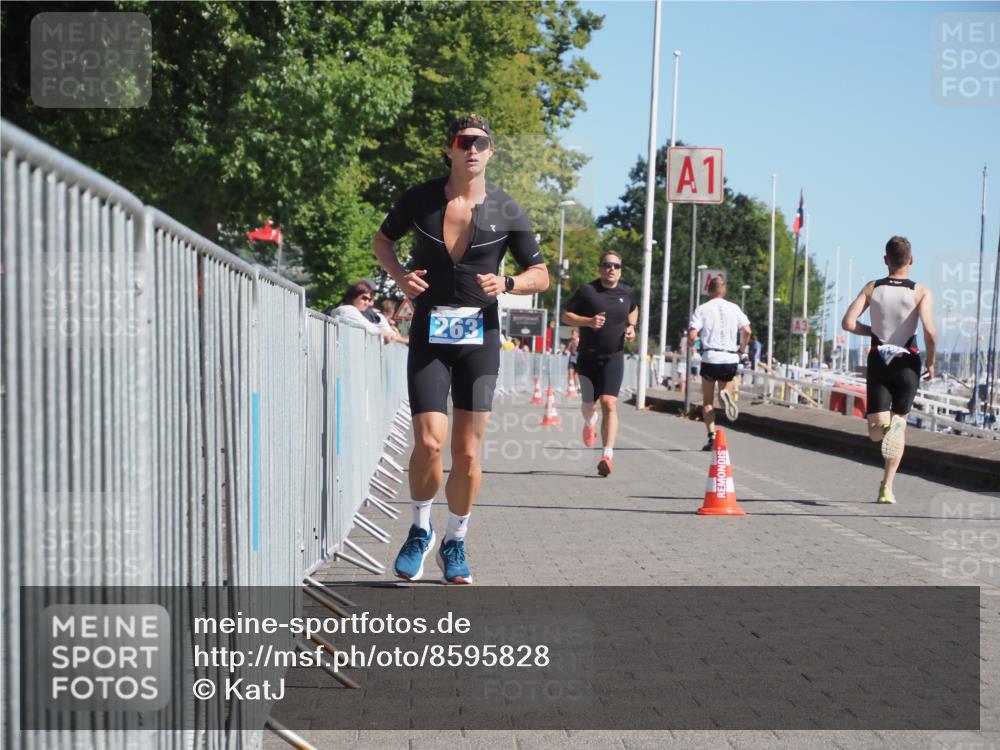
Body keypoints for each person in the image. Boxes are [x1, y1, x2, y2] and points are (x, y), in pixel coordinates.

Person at [372, 113, 548, 584]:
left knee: (467, 454)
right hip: (430, 333)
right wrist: (398, 277)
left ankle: (456, 540)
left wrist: (509, 281)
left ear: (491, 152)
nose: (472, 148)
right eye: (463, 141)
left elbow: (542, 274)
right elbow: (382, 240)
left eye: (481, 142)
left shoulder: (508, 210)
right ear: (448, 149)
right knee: (429, 443)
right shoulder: (421, 200)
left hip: (480, 339)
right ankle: (419, 529)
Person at [841, 235, 936, 504]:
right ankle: (887, 487)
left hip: (879, 360)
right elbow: (929, 330)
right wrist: (931, 361)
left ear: (886, 260)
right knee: (900, 424)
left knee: (875, 431)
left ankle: (886, 432)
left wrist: (870, 330)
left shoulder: (873, 288)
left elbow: (848, 323)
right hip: (908, 362)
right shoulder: (921, 291)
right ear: (911, 260)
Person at [561, 251, 638, 477]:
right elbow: (566, 315)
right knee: (589, 405)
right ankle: (589, 423)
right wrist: (588, 321)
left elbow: (633, 310)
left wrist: (632, 326)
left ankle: (607, 454)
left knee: (609, 403)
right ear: (600, 268)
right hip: (587, 357)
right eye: (607, 265)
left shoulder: (627, 292)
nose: (611, 269)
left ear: (620, 270)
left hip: (614, 357)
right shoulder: (588, 291)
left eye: (615, 266)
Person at [688, 276, 751, 451]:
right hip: (730, 357)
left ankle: (712, 437)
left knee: (707, 401)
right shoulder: (735, 308)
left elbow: (692, 335)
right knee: (723, 395)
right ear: (724, 291)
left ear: (709, 290)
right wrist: (741, 350)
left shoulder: (702, 309)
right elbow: (747, 330)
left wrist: (692, 344)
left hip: (711, 357)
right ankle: (725, 397)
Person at [326, 281, 394, 343]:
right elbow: (372, 330)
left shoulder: (353, 311)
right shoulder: (347, 310)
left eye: (370, 299)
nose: (367, 303)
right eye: (364, 298)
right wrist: (385, 333)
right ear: (353, 297)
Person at [565, 328, 581, 393]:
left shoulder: (579, 341)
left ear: (578, 334)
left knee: (576, 374)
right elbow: (568, 349)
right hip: (572, 357)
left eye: (574, 334)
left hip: (578, 357)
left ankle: (578, 387)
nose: (572, 335)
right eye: (572, 334)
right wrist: (565, 351)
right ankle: (571, 386)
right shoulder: (571, 341)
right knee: (570, 372)